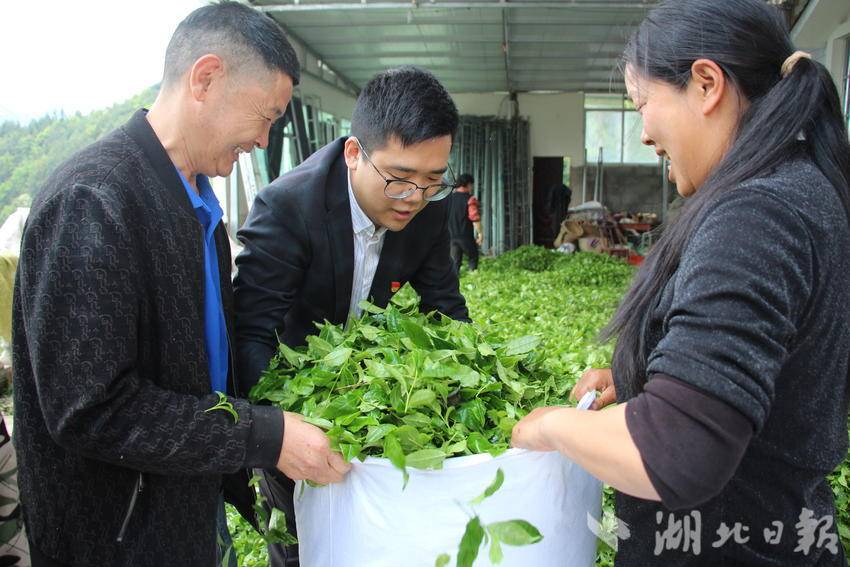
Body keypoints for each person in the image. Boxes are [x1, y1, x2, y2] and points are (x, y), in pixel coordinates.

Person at [511, 0, 850, 565]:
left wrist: (552, 427)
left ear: (706, 84)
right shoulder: (802, 188)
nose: (644, 133)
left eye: (642, 104)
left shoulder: (757, 215)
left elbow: (676, 451)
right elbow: (772, 369)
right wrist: (648, 377)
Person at [11, 4, 349, 566]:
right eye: (265, 116)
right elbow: (89, 409)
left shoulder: (199, 205)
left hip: (186, 507)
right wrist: (262, 436)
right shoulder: (94, 200)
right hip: (117, 538)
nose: (264, 141)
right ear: (206, 78)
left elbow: (201, 370)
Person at [234, 65, 470, 566]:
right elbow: (251, 335)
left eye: (432, 180)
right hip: (294, 392)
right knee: (301, 540)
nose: (414, 198)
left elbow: (445, 307)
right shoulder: (288, 208)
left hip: (366, 391)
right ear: (353, 154)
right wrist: (279, 431)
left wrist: (474, 385)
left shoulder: (428, 209)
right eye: (399, 179)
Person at [447, 173, 482, 271]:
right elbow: (474, 218)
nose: (471, 187)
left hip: (451, 236)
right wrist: (480, 233)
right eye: (471, 185)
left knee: (455, 262)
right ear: (468, 184)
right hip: (465, 236)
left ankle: (454, 279)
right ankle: (473, 276)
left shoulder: (449, 198)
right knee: (473, 257)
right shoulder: (470, 199)